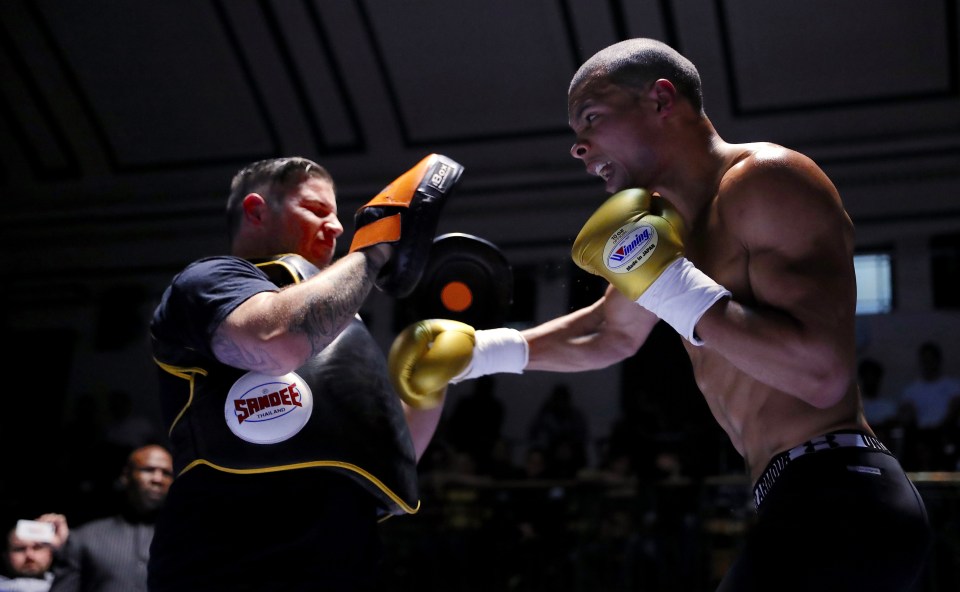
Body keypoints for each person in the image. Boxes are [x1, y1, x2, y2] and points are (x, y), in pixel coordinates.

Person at [389, 39, 932, 590]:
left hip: (844, 491)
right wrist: (479, 353)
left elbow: (821, 377)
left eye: (592, 118)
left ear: (661, 99)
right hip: (794, 496)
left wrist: (669, 284)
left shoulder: (767, 181)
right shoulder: (660, 229)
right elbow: (609, 333)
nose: (578, 147)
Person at [147, 154, 461, 591]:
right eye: (316, 210)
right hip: (229, 559)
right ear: (256, 210)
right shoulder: (207, 280)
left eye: (336, 216)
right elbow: (274, 341)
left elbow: (389, 452)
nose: (335, 228)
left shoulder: (345, 328)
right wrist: (376, 248)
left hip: (344, 555)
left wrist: (431, 379)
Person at [49, 444, 173, 592]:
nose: (158, 479)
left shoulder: (189, 541)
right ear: (126, 476)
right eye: (148, 470)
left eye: (166, 473)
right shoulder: (84, 538)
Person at [898, 341, 960, 470]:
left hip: (945, 431)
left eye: (931, 359)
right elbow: (907, 416)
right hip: (920, 434)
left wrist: (941, 427)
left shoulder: (953, 386)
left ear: (938, 360)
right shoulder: (911, 390)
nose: (928, 363)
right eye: (925, 359)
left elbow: (954, 410)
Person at [1, 514, 68, 592]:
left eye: (37, 548)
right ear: (5, 556)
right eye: (20, 549)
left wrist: (65, 545)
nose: (30, 555)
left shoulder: (71, 582)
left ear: (51, 552)